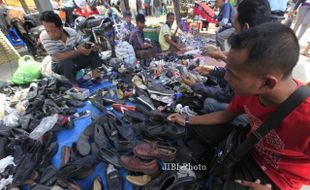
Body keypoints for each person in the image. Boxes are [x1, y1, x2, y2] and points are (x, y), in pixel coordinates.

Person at [168, 22, 310, 190]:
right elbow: (226, 115)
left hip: (277, 178)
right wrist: (187, 119)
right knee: (186, 128)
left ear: (267, 83)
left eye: (232, 74)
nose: (226, 78)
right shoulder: (250, 92)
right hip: (248, 146)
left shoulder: (305, 118)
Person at [40, 11, 102, 88]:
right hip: (59, 65)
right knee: (66, 62)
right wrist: (78, 51)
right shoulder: (44, 36)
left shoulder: (71, 32)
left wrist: (88, 47)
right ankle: (75, 86)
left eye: (53, 31)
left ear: (61, 27)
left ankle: (95, 75)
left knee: (93, 52)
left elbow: (82, 44)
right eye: (47, 31)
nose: (50, 34)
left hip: (74, 60)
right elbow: (57, 57)